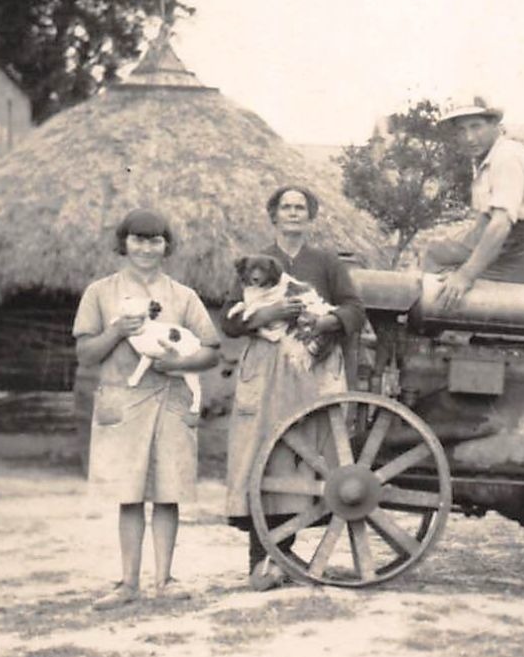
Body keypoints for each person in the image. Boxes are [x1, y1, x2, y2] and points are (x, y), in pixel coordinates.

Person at [75, 209, 221, 610]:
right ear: (123, 243)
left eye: (155, 240)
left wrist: (180, 364)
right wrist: (115, 331)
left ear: (166, 247)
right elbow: (85, 353)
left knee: (168, 491)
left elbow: (211, 351)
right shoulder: (101, 293)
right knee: (129, 494)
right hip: (122, 400)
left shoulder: (183, 296)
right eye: (137, 239)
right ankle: (128, 583)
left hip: (171, 400)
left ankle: (165, 580)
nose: (145, 247)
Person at [221, 185, 364, 590]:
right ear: (274, 215)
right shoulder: (257, 261)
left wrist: (328, 322)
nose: (294, 213)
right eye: (286, 207)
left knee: (301, 456)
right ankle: (258, 561)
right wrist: (268, 312)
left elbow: (355, 307)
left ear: (310, 215)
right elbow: (230, 321)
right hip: (265, 372)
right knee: (259, 456)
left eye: (301, 207)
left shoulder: (326, 262)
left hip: (309, 368)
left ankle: (284, 555)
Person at [423, 99, 524, 310]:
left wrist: (465, 275)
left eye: (476, 127)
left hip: (519, 252)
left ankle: (443, 325)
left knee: (446, 279)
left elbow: (500, 225)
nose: (469, 138)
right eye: (461, 130)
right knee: (436, 250)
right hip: (504, 243)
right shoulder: (488, 156)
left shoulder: (506, 158)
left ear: (495, 125)